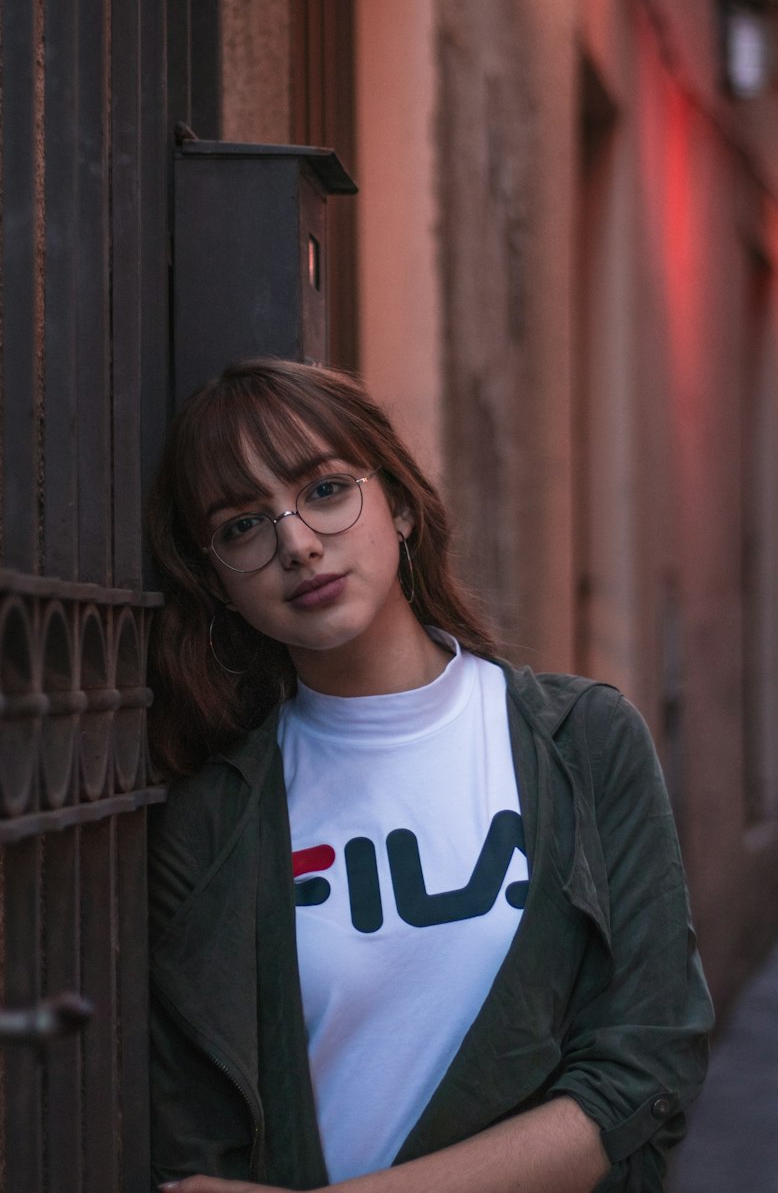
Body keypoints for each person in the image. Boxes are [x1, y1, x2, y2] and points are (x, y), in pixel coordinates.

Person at [145, 357, 713, 1193]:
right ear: (221, 586)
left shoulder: (582, 742)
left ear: (402, 505)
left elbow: (645, 1067)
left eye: (326, 490)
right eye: (241, 527)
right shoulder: (213, 821)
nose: (297, 543)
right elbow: (193, 1140)